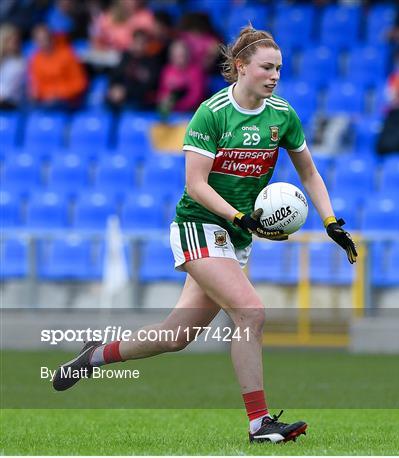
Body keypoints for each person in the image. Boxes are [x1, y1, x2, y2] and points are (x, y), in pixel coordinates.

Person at [51, 25, 357, 444]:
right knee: (251, 312)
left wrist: (330, 222)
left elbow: (309, 172)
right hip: (199, 225)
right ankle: (259, 424)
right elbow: (196, 184)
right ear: (240, 66)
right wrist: (240, 217)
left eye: (279, 68)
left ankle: (94, 355)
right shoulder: (212, 113)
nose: (274, 76)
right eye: (267, 67)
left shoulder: (282, 115)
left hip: (234, 236)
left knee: (176, 337)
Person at [28, 23, 87, 109]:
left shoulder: (67, 54)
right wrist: (45, 94)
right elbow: (37, 86)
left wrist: (59, 93)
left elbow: (80, 83)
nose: (44, 42)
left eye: (46, 38)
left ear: (52, 37)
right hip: (46, 101)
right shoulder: (36, 59)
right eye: (40, 40)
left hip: (68, 100)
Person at [106, 28, 160, 111]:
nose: (139, 45)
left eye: (142, 42)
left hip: (138, 101)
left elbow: (149, 87)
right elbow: (115, 76)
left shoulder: (151, 62)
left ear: (146, 44)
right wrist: (113, 89)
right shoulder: (125, 57)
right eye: (137, 42)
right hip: (119, 97)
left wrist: (126, 92)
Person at [157, 40, 207, 115]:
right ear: (171, 56)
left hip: (191, 112)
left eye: (182, 55)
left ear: (188, 55)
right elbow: (162, 92)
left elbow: (196, 96)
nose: (180, 58)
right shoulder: (167, 71)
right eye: (177, 56)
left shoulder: (195, 72)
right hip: (171, 112)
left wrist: (178, 106)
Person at [0, 23, 26, 109]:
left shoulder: (21, 62)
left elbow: (11, 90)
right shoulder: (3, 60)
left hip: (11, 102)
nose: (15, 43)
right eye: (11, 40)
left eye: (17, 40)